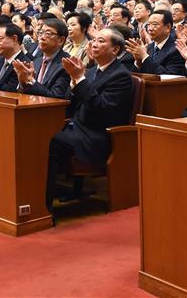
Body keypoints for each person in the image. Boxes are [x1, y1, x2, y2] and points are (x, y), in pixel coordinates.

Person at [45, 28, 134, 214]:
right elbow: (75, 103)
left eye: (101, 41)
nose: (93, 44)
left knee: (51, 141)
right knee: (39, 133)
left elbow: (101, 108)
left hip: (96, 135)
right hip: (77, 126)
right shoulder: (92, 71)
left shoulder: (121, 76)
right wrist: (74, 81)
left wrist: (79, 78)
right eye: (93, 40)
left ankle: (45, 207)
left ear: (115, 50)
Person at [12, 18, 72, 105]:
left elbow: (56, 97)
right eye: (40, 33)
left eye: (48, 34)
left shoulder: (66, 64)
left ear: (61, 40)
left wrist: (31, 81)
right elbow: (23, 94)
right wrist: (23, 83)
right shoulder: (36, 61)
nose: (42, 37)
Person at [125, 9, 185, 75]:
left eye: (154, 24)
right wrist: (138, 62)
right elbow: (135, 78)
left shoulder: (177, 49)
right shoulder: (149, 47)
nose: (150, 29)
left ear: (168, 27)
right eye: (148, 24)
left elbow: (168, 76)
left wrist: (144, 56)